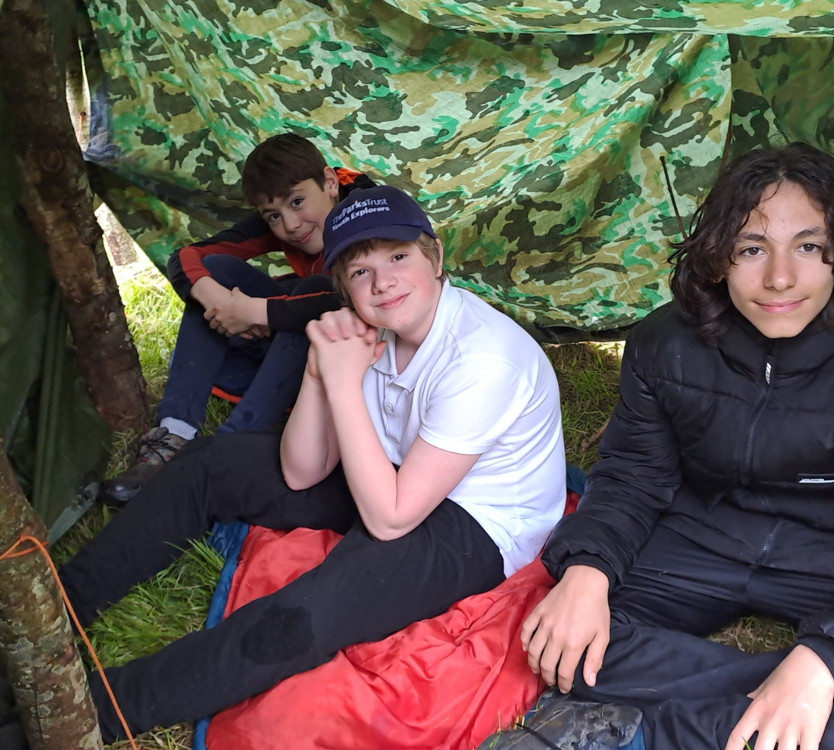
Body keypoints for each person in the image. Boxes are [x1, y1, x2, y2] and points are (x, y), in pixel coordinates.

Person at [520, 143, 834, 750]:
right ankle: (776, 708)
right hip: (703, 537)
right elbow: (633, 475)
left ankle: (658, 728)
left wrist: (824, 659)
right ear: (719, 256)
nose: (779, 277)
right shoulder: (664, 344)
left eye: (808, 246)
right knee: (551, 640)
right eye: (752, 248)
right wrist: (587, 572)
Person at [61, 185, 567, 740]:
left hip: (478, 522)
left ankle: (82, 713)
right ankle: (57, 612)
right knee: (215, 461)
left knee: (304, 614)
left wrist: (345, 383)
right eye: (360, 271)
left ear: (435, 256)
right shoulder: (368, 330)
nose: (383, 282)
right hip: (396, 477)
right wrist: (320, 372)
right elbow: (301, 471)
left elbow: (391, 519)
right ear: (342, 285)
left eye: (398, 257)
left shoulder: (484, 358)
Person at [100, 133, 378, 506]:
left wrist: (253, 311)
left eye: (298, 202)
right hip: (290, 358)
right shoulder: (286, 218)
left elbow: (350, 297)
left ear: (329, 182)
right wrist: (220, 300)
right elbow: (189, 258)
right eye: (274, 216)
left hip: (361, 366)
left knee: (311, 294)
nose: (291, 225)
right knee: (215, 269)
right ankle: (174, 435)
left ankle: (230, 451)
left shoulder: (367, 210)